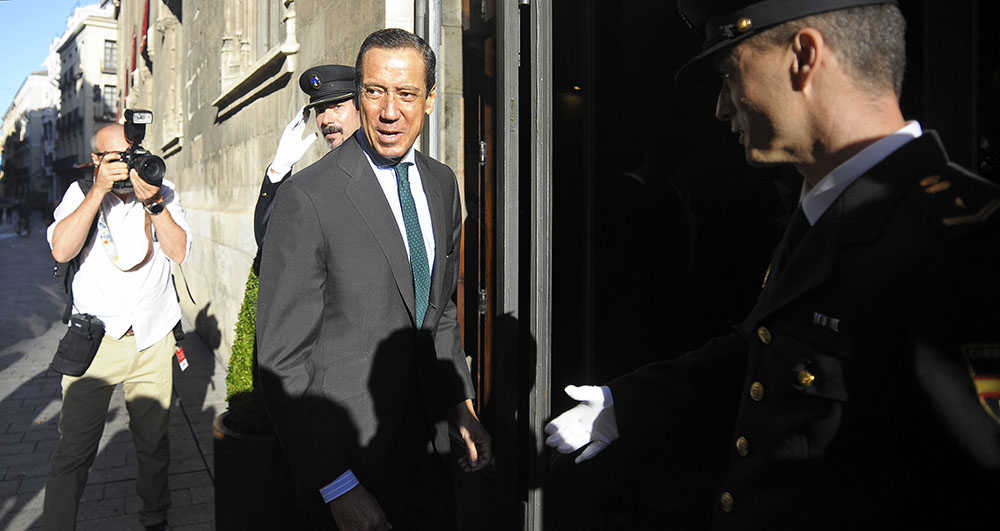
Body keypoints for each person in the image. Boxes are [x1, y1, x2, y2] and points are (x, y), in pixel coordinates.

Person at [545, 1, 1000, 529]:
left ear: (803, 56)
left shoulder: (964, 238)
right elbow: (767, 352)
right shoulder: (831, 210)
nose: (720, 107)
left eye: (729, 73)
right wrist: (628, 403)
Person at [256, 28, 492, 530]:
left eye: (406, 94)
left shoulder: (441, 183)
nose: (390, 111)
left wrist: (462, 404)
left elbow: (439, 309)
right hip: (348, 462)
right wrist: (336, 485)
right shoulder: (307, 198)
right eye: (375, 92)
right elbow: (281, 362)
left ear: (429, 100)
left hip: (429, 452)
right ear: (359, 96)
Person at [43, 124, 191, 530]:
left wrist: (156, 205)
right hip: (95, 343)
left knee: (153, 444)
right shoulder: (79, 192)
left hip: (152, 338)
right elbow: (61, 248)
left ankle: (155, 518)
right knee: (73, 450)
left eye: (132, 155)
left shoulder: (163, 189)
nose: (127, 168)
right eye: (116, 160)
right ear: (97, 162)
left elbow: (178, 253)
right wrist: (97, 192)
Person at [253, 64, 361, 261]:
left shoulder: (381, 169)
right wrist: (279, 169)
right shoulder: (317, 181)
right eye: (320, 110)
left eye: (337, 107)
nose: (327, 119)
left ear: (360, 109)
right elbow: (270, 243)